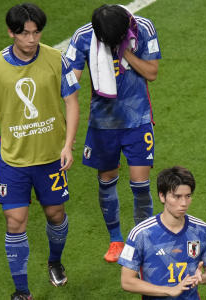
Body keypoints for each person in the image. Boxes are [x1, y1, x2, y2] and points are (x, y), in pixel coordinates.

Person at [0, 3, 80, 300]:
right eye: (25, 34)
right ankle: (22, 292)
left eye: (36, 32)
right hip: (14, 161)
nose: (32, 39)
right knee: (15, 221)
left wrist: (68, 145)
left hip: (51, 160)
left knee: (56, 214)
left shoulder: (57, 59)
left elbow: (71, 102)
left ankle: (55, 260)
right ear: (11, 33)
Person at [65, 4, 161, 263]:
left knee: (140, 186)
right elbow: (70, 83)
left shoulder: (143, 28)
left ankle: (142, 241)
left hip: (137, 121)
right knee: (106, 181)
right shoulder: (83, 37)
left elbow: (152, 72)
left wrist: (126, 53)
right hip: (103, 125)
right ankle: (116, 240)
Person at [118, 166, 206, 299]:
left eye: (187, 196)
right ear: (162, 196)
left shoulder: (202, 230)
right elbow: (127, 281)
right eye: (177, 197)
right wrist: (169, 290)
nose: (183, 203)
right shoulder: (141, 234)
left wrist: (202, 278)